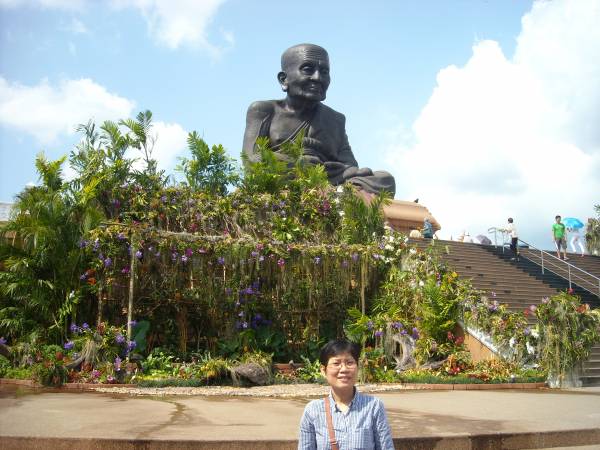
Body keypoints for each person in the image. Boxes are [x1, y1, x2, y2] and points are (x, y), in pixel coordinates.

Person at [243, 43, 396, 196]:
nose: (318, 78)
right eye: (308, 70)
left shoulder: (335, 120)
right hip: (282, 181)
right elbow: (251, 160)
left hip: (329, 181)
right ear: (284, 79)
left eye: (324, 72)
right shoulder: (263, 110)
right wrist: (299, 164)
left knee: (385, 179)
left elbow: (351, 168)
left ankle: (335, 195)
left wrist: (325, 169)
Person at [298, 339, 394, 449]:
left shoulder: (373, 406)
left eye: (349, 363)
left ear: (358, 367)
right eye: (336, 363)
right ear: (324, 370)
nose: (343, 369)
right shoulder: (313, 410)